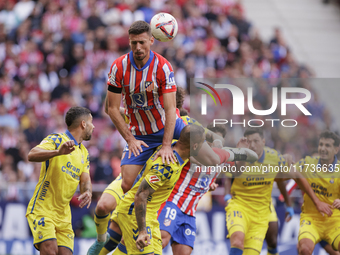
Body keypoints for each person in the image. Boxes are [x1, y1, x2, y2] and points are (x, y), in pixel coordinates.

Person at [227, 127, 333, 255]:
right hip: (240, 206)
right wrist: (243, 155)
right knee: (237, 241)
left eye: (256, 141)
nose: (252, 145)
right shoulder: (238, 154)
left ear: (263, 142)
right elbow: (235, 174)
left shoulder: (274, 157)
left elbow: (292, 176)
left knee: (272, 240)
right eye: (249, 142)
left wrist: (294, 204)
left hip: (262, 211)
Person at [114, 124, 206, 254]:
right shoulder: (166, 167)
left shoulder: (178, 150)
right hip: (134, 212)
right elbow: (141, 195)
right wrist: (142, 231)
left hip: (150, 215)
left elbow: (198, 159)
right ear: (195, 146)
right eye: (202, 144)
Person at [26, 106, 94, 255]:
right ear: (83, 124)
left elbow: (85, 179)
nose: (93, 126)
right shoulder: (57, 139)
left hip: (64, 216)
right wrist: (57, 152)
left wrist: (87, 191)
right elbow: (32, 154)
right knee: (50, 250)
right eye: (91, 122)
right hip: (43, 209)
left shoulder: (84, 152)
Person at [157, 123, 227, 255]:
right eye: (212, 142)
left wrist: (210, 186)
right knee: (161, 239)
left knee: (184, 253)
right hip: (173, 202)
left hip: (190, 212)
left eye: (219, 142)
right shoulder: (191, 154)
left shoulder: (220, 162)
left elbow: (206, 179)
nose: (215, 146)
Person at [296, 131, 340, 255]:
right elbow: (283, 174)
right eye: (321, 144)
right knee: (304, 248)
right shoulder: (307, 163)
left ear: (336, 150)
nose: (322, 148)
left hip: (334, 220)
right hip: (311, 218)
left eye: (327, 145)